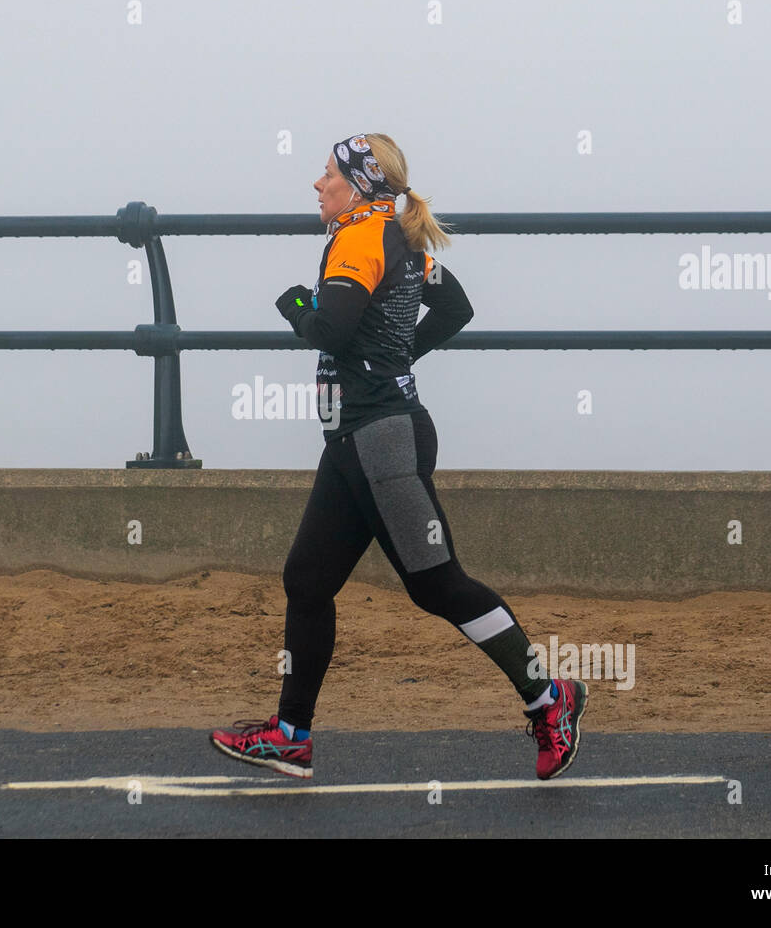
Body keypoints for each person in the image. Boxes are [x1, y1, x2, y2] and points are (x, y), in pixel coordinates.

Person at [210, 133, 587, 781]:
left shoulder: (361, 235)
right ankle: (291, 737)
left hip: (381, 438)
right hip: (354, 441)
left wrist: (295, 304)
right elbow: (454, 306)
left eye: (326, 173)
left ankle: (550, 699)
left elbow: (328, 326)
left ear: (357, 185)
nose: (316, 184)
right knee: (306, 580)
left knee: (438, 585)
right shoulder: (395, 235)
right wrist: (397, 356)